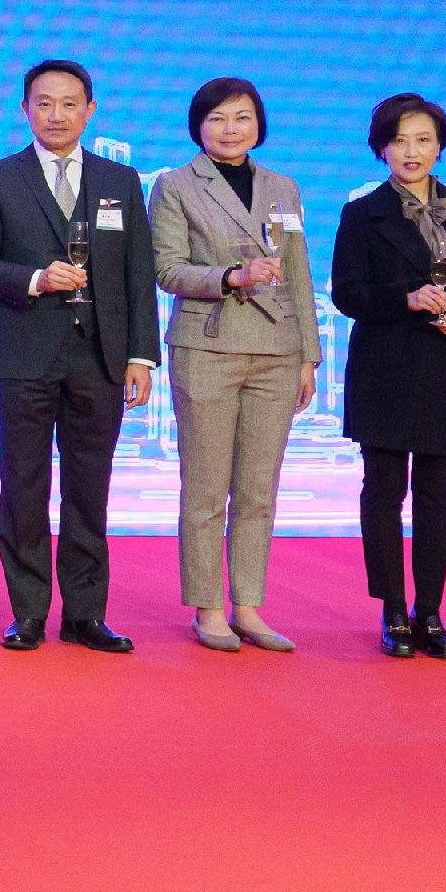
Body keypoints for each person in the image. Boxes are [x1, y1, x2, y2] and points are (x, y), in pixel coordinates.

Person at [0, 59, 155, 653]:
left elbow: (137, 274)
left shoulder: (121, 181)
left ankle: (86, 614)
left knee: (89, 488)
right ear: (25, 109)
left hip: (100, 357)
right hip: (24, 353)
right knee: (24, 486)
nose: (57, 114)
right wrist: (37, 278)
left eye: (70, 103)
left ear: (90, 110)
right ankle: (29, 613)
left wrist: (140, 356)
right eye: (44, 103)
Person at [150, 77, 321, 654]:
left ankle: (249, 604)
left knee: (258, 489)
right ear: (198, 125)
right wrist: (231, 277)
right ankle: (207, 606)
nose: (231, 129)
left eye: (243, 117)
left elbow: (297, 275)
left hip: (276, 352)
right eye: (218, 118)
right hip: (208, 345)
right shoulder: (176, 185)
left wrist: (309, 357)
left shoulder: (282, 187)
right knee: (205, 488)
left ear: (259, 123)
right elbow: (168, 270)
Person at [331, 93, 446, 661]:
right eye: (400, 140)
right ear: (381, 148)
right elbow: (346, 293)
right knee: (383, 491)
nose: (411, 151)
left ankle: (431, 610)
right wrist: (405, 298)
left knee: (438, 494)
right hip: (386, 366)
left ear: (440, 147)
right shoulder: (362, 214)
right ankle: (393, 610)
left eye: (423, 139)